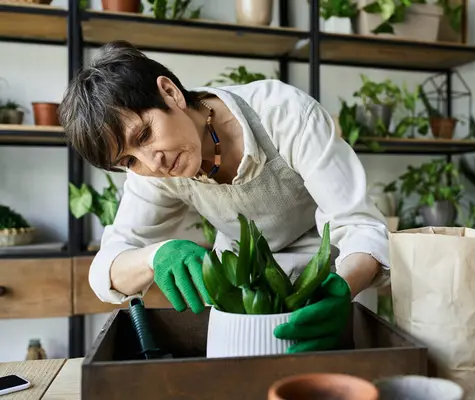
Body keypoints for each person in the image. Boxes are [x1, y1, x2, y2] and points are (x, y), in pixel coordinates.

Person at [58, 40, 391, 353]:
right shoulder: (154, 171)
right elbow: (108, 266)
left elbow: (360, 224)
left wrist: (342, 287)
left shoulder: (282, 113)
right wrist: (156, 255)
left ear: (170, 93)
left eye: (144, 134)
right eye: (128, 160)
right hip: (242, 300)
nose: (152, 162)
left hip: (330, 282)